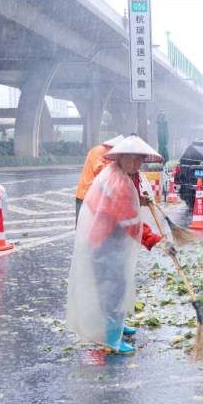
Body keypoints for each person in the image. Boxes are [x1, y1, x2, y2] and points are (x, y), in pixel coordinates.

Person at [66, 135, 174, 355]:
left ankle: (116, 325)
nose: (136, 163)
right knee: (112, 290)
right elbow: (129, 220)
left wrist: (141, 199)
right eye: (132, 158)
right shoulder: (118, 182)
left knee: (118, 285)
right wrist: (157, 241)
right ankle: (111, 338)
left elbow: (129, 202)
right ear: (121, 157)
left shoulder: (121, 173)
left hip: (110, 240)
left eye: (140, 159)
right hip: (104, 243)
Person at [75, 134, 124, 224]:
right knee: (83, 225)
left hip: (99, 196)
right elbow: (99, 169)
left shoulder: (112, 155)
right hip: (85, 194)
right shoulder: (99, 150)